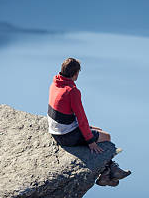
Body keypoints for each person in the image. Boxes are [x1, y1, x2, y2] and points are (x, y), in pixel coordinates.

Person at [48, 57, 131, 186]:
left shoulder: (55, 84)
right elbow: (81, 118)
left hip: (56, 131)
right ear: (75, 74)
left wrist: (89, 130)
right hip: (66, 136)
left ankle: (108, 174)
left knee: (97, 130)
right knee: (106, 136)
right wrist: (90, 141)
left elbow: (67, 114)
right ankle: (108, 173)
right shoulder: (72, 91)